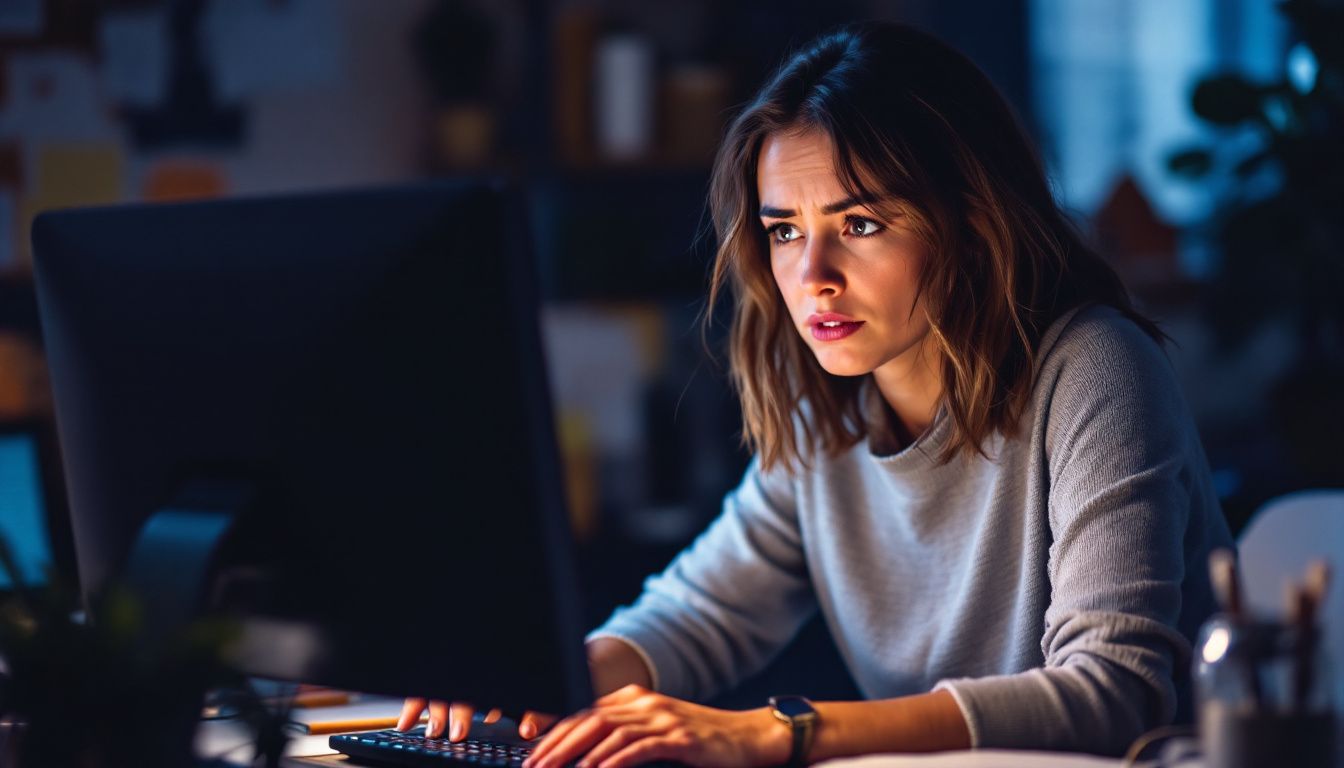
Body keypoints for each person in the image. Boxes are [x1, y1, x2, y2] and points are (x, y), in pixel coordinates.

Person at [398, 21, 1233, 766]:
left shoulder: (1094, 367)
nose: (811, 277)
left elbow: (1114, 692)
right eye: (785, 230)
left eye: (860, 225)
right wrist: (533, 684)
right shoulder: (824, 407)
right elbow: (700, 614)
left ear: (974, 224)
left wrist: (782, 729)